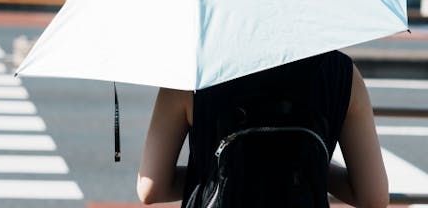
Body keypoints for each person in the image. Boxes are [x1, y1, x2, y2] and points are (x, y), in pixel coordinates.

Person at [137, 51, 389, 207]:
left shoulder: (192, 72)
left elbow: (151, 188)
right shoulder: (341, 72)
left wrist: (225, 172)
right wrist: (301, 166)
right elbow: (373, 197)